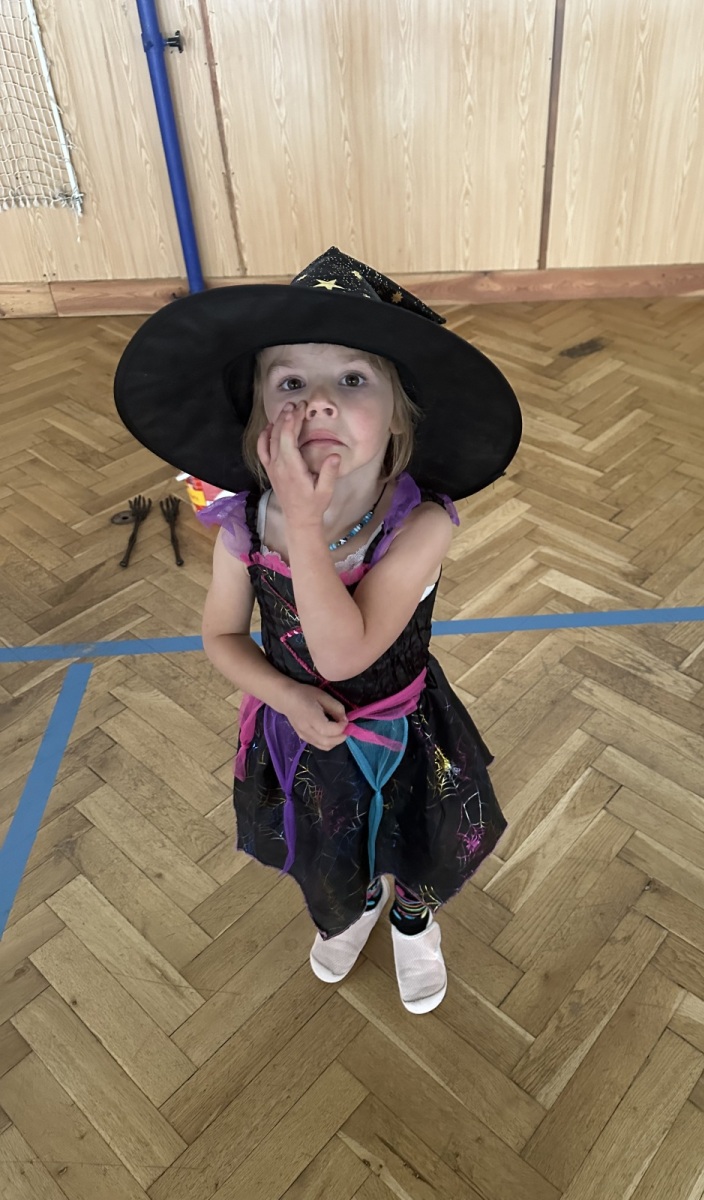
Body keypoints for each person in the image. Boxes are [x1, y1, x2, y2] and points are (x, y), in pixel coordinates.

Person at [115, 247, 521, 1014]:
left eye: (353, 379)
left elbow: (342, 652)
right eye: (291, 383)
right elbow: (221, 637)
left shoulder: (423, 526)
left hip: (405, 733)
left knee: (419, 841)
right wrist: (285, 698)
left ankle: (412, 918)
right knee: (335, 849)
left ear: (397, 415)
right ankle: (358, 905)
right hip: (301, 738)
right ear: (259, 418)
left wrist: (302, 526)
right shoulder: (245, 521)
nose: (320, 402)